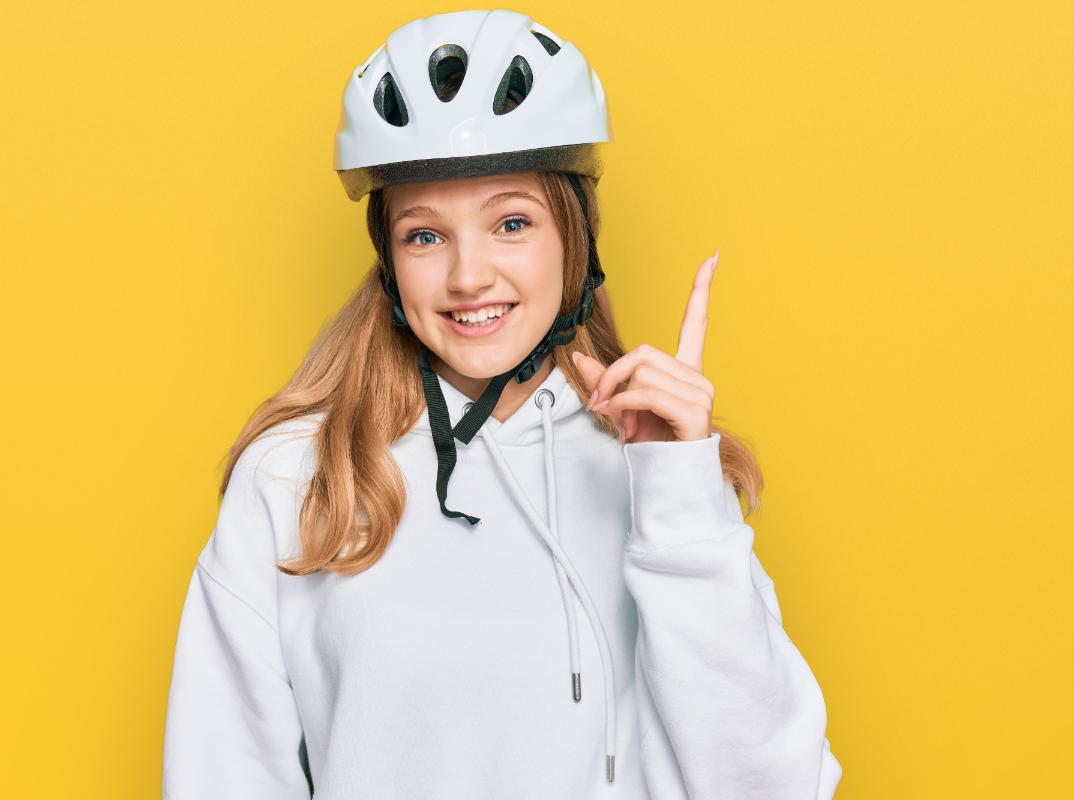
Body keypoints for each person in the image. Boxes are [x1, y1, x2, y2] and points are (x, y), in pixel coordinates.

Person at [162, 9, 841, 799]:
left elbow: (773, 786)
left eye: (511, 223)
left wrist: (678, 496)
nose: (467, 277)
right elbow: (222, 774)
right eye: (424, 235)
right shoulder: (294, 476)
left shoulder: (662, 472)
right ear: (388, 259)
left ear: (575, 237)